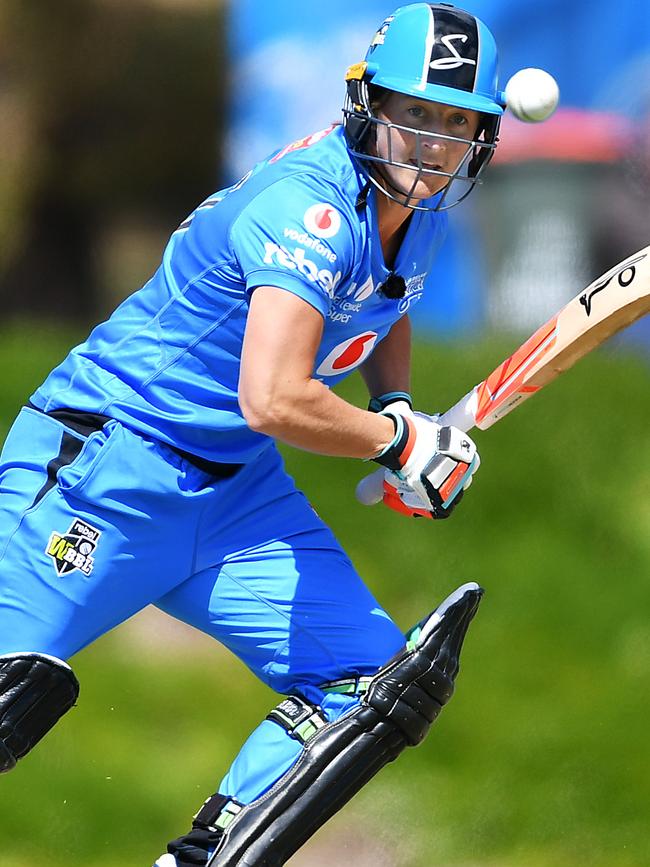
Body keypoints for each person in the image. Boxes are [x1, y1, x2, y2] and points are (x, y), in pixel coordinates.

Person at [0, 4, 505, 865]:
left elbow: (391, 304)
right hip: (104, 465)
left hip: (234, 494)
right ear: (367, 106)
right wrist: (396, 447)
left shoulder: (415, 210)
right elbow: (275, 395)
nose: (429, 142)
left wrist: (401, 413)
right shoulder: (308, 210)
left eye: (454, 122)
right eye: (412, 113)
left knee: (373, 684)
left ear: (481, 138)